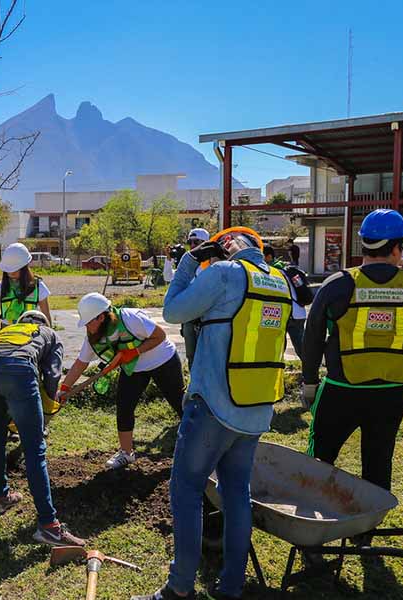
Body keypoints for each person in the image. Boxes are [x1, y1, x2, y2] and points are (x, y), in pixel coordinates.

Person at [134, 227, 292, 600]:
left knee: (186, 487)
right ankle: (231, 587)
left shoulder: (224, 274)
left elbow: (173, 311)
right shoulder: (280, 281)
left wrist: (189, 261)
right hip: (255, 407)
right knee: (237, 492)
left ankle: (180, 588)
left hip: (215, 406)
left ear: (229, 249)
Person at [302, 209, 403, 495]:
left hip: (342, 388)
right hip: (394, 391)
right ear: (397, 247)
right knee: (378, 461)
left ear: (364, 243)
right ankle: (366, 531)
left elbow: (313, 335)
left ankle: (310, 524)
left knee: (319, 459)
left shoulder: (338, 284)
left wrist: (310, 381)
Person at [0, 309, 86, 546]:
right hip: (18, 371)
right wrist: (46, 407)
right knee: (35, 448)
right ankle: (48, 526)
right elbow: (52, 374)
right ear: (43, 323)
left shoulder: (6, 333)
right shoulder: (49, 334)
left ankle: (1, 497)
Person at [59, 293, 184, 472]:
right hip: (133, 369)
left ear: (101, 317)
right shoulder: (94, 336)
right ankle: (126, 453)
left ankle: (198, 450)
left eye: (88, 322)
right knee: (124, 406)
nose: (86, 326)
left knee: (180, 403)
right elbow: (81, 363)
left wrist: (135, 351)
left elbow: (160, 336)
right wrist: (64, 388)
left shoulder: (130, 319)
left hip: (162, 359)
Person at [0, 242, 52, 340]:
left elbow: (46, 316)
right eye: (8, 270)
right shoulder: (0, 287)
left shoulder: (38, 287)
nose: (11, 273)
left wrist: (49, 337)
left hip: (30, 334)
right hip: (7, 334)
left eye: (15, 270)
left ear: (25, 267)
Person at [263, 243, 312, 359]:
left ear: (268, 257)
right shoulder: (286, 270)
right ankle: (311, 372)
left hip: (287, 315)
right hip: (298, 313)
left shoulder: (274, 272)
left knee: (279, 348)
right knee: (301, 348)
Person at [179, 227, 209, 368]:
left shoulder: (213, 264)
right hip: (189, 317)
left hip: (208, 316)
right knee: (191, 355)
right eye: (189, 242)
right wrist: (168, 260)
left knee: (208, 355)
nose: (192, 245)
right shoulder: (186, 263)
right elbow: (170, 278)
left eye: (196, 242)